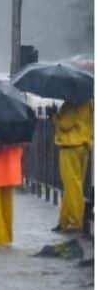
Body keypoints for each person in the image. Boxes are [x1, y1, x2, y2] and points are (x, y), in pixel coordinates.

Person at [52, 99, 94, 233]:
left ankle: (76, 220)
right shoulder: (89, 103)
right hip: (84, 146)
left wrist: (55, 116)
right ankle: (64, 220)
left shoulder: (72, 103)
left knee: (71, 185)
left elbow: (65, 124)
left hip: (70, 146)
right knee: (74, 185)